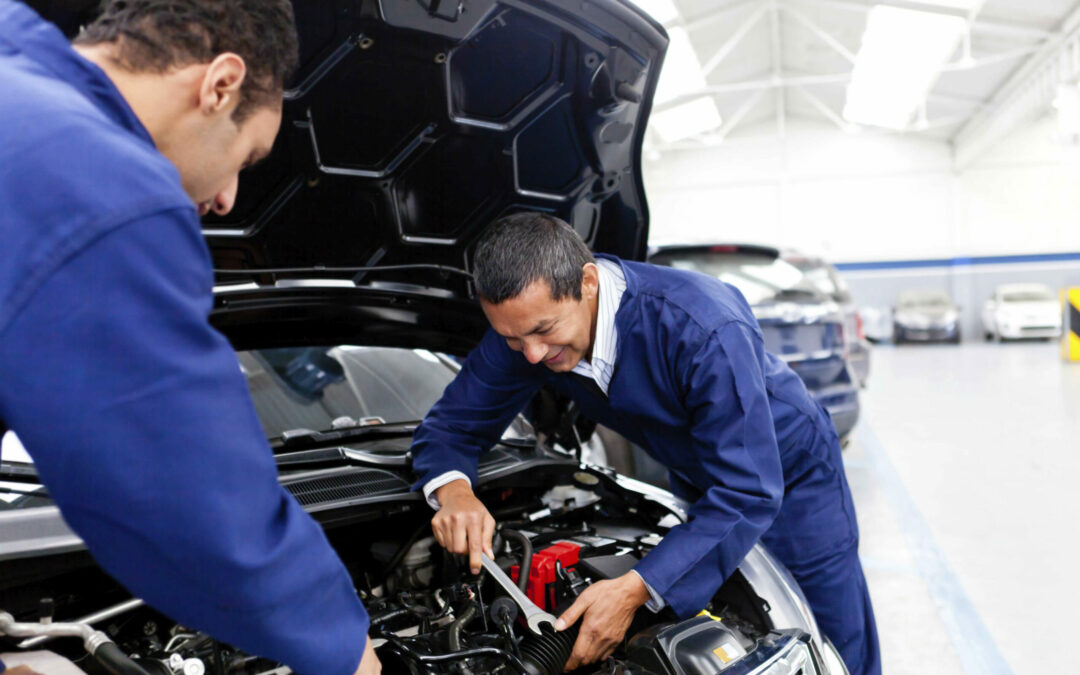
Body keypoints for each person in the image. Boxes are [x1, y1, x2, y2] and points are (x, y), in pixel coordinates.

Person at [0, 2, 380, 673]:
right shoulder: (93, 182)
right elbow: (193, 506)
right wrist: (348, 648)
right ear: (220, 84)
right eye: (249, 154)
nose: (231, 197)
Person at [411, 212, 881, 675]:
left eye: (543, 331)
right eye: (512, 339)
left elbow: (748, 489)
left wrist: (637, 587)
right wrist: (456, 493)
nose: (532, 355)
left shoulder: (701, 326)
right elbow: (450, 426)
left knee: (828, 634)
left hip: (789, 468)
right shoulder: (524, 326)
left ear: (588, 283)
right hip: (696, 467)